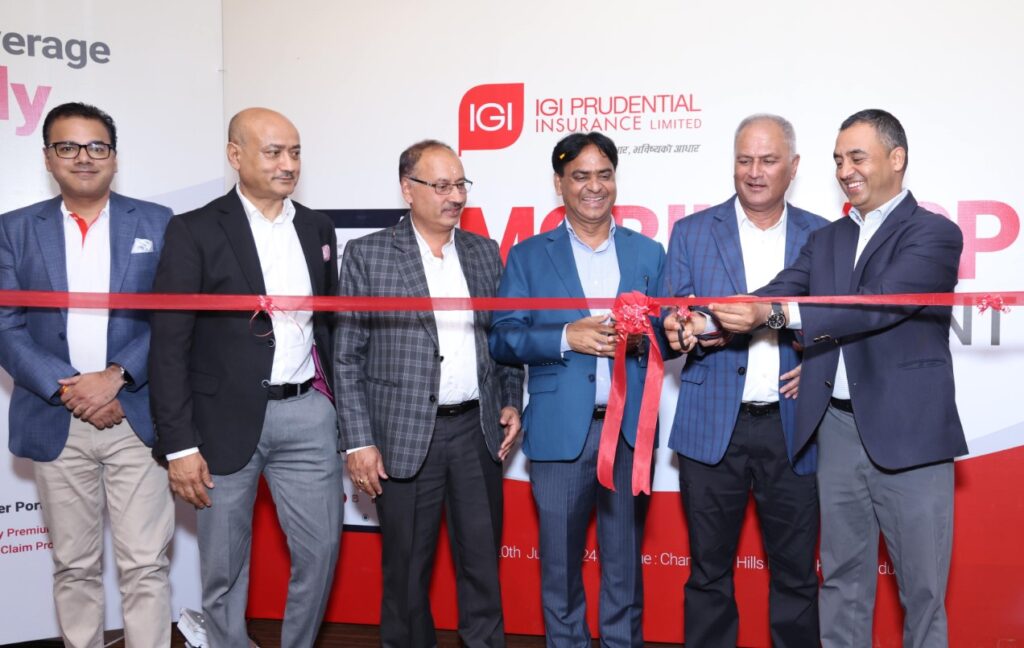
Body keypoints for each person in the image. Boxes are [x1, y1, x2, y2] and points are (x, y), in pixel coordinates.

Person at [709, 109, 967, 647]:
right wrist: (710, 319)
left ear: (896, 159)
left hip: (910, 434)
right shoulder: (828, 239)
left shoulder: (935, 233)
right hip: (836, 430)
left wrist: (770, 315)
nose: (845, 170)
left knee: (923, 593)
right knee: (842, 582)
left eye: (857, 157)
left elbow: (876, 306)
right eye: (837, 160)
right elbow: (779, 290)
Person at [149, 108, 342, 648]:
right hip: (220, 422)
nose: (288, 164)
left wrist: (339, 412)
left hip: (307, 414)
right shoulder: (193, 229)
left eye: (295, 152)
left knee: (321, 551)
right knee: (224, 568)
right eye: (273, 152)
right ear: (236, 155)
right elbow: (169, 344)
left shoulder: (317, 227)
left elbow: (329, 328)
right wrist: (179, 444)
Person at [335, 140, 523, 648]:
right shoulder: (369, 254)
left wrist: (511, 399)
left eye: (460, 184)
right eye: (441, 185)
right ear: (407, 189)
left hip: (476, 434)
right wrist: (358, 441)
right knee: (405, 574)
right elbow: (346, 356)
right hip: (401, 437)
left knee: (482, 569)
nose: (455, 196)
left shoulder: (483, 253)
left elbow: (502, 341)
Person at [0, 102, 174, 647]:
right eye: (68, 147)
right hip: (56, 415)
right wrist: (72, 388)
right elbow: (6, 324)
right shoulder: (13, 229)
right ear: (47, 157)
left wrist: (117, 376)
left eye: (97, 146)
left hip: (135, 413)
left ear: (114, 157)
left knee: (145, 563)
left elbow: (173, 318)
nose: (83, 157)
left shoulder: (158, 222)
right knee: (74, 565)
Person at [489, 132, 666, 647]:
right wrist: (567, 336)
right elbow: (503, 338)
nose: (594, 186)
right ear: (559, 183)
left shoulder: (648, 253)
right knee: (560, 569)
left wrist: (651, 337)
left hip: (629, 434)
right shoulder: (527, 257)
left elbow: (669, 334)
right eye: (581, 176)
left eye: (604, 174)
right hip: (559, 435)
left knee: (624, 568)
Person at [662, 114, 828, 647]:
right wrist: (682, 329)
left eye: (768, 160)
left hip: (794, 426)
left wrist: (819, 362)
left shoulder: (822, 235)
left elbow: (838, 321)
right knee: (708, 573)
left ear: (793, 167)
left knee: (797, 575)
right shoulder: (691, 232)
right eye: (744, 160)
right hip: (711, 425)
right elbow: (669, 317)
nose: (754, 172)